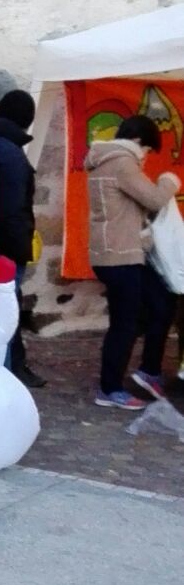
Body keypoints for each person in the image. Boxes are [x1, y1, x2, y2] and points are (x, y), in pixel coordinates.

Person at [85, 115, 179, 409]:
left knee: (160, 303)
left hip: (120, 253)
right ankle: (110, 389)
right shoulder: (122, 162)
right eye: (147, 149)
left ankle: (148, 370)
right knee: (124, 324)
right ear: (138, 141)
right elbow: (154, 199)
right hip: (120, 255)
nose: (146, 156)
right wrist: (169, 181)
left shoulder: (106, 160)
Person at [0, 88, 45, 388]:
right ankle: (6, 381)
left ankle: (9, 373)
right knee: (5, 314)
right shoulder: (10, 154)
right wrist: (16, 250)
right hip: (7, 248)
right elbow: (11, 209)